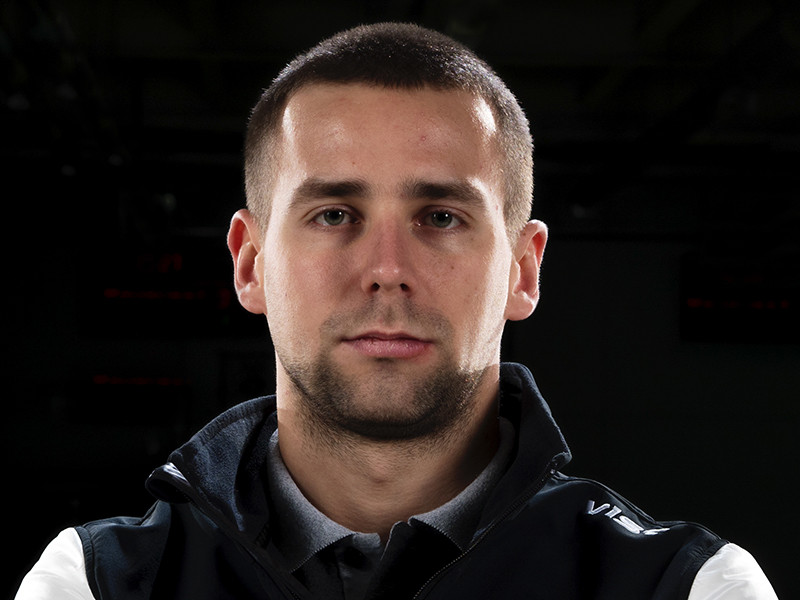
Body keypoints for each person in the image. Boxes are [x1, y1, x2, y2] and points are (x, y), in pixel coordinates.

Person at [16, 22, 777, 600]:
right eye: (334, 214)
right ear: (250, 264)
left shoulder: (688, 587)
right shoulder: (95, 583)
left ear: (523, 269)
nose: (386, 271)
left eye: (441, 217)